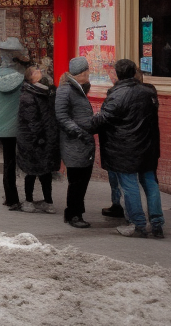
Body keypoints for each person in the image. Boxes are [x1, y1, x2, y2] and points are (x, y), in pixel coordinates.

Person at [88, 59, 163, 238]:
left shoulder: (118, 94)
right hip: (147, 147)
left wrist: (85, 123)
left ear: (118, 74)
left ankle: (138, 224)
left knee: (130, 187)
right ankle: (157, 223)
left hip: (125, 149)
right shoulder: (149, 92)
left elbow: (103, 119)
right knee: (151, 184)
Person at [54, 56, 96, 227]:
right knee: (77, 180)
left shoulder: (77, 88)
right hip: (74, 142)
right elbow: (62, 116)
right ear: (82, 72)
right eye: (87, 71)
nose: (89, 74)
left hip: (82, 142)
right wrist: (79, 132)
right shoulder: (66, 90)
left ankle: (76, 212)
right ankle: (73, 215)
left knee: (82, 179)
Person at [0, 37, 27, 209]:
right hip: (20, 124)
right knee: (26, 160)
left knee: (8, 162)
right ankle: (30, 198)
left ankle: (11, 197)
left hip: (1, 126)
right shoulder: (22, 78)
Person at [15, 66, 59, 213]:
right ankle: (28, 201)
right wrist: (38, 137)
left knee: (45, 171)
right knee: (31, 171)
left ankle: (48, 201)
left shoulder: (44, 91)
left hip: (45, 137)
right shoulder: (28, 94)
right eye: (36, 71)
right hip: (33, 140)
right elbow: (31, 120)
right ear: (31, 77)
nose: (40, 71)